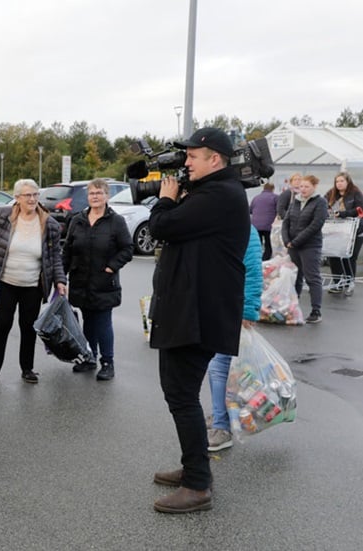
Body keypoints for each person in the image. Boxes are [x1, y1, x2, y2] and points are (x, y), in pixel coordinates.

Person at [148, 127, 250, 514]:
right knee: (181, 393)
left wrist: (166, 200)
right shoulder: (215, 192)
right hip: (193, 310)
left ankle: (197, 485)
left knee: (180, 394)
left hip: (198, 315)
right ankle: (195, 468)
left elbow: (162, 227)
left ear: (216, 160)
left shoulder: (220, 195)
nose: (186, 162)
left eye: (193, 156)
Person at [0, 179, 67, 385]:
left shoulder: (49, 224)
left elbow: (55, 256)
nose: (32, 199)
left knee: (28, 327)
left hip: (33, 285)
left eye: (35, 195)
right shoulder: (3, 216)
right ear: (17, 197)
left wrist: (60, 280)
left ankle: (27, 368)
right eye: (27, 195)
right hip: (5, 282)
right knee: (2, 325)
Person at [62, 178, 134, 381]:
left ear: (106, 196)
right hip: (81, 280)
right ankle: (89, 357)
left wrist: (112, 266)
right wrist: (61, 276)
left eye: (99, 193)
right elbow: (67, 250)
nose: (95, 196)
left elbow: (127, 248)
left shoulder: (116, 221)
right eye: (92, 193)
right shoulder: (78, 220)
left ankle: (107, 362)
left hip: (104, 282)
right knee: (88, 321)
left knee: (102, 322)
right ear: (88, 196)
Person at [206, 226, 262, 451]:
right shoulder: (219, 222)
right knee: (217, 366)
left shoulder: (246, 230)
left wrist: (248, 310)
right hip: (217, 306)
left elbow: (253, 271)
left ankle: (222, 426)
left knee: (219, 366)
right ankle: (221, 415)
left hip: (233, 308)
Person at [282, 174, 328, 323]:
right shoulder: (295, 201)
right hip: (293, 245)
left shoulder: (320, 202)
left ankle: (316, 311)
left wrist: (295, 241)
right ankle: (293, 306)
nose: (303, 189)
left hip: (310, 246)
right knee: (296, 276)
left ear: (314, 187)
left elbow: (315, 225)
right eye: (301, 186)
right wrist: (287, 240)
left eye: (306, 186)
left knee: (312, 277)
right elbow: (286, 221)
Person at [324, 172, 363, 296]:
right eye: (337, 181)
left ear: (347, 182)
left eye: (342, 181)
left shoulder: (355, 193)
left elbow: (359, 210)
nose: (339, 184)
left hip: (354, 230)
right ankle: (338, 282)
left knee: (349, 257)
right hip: (336, 229)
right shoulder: (331, 194)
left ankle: (349, 282)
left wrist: (343, 214)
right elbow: (323, 204)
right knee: (333, 255)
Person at [250, 182, 279, 260]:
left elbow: (250, 210)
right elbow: (279, 210)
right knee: (268, 243)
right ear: (273, 189)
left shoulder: (256, 198)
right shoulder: (275, 197)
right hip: (268, 225)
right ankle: (266, 259)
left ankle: (257, 258)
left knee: (258, 244)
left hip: (255, 225)